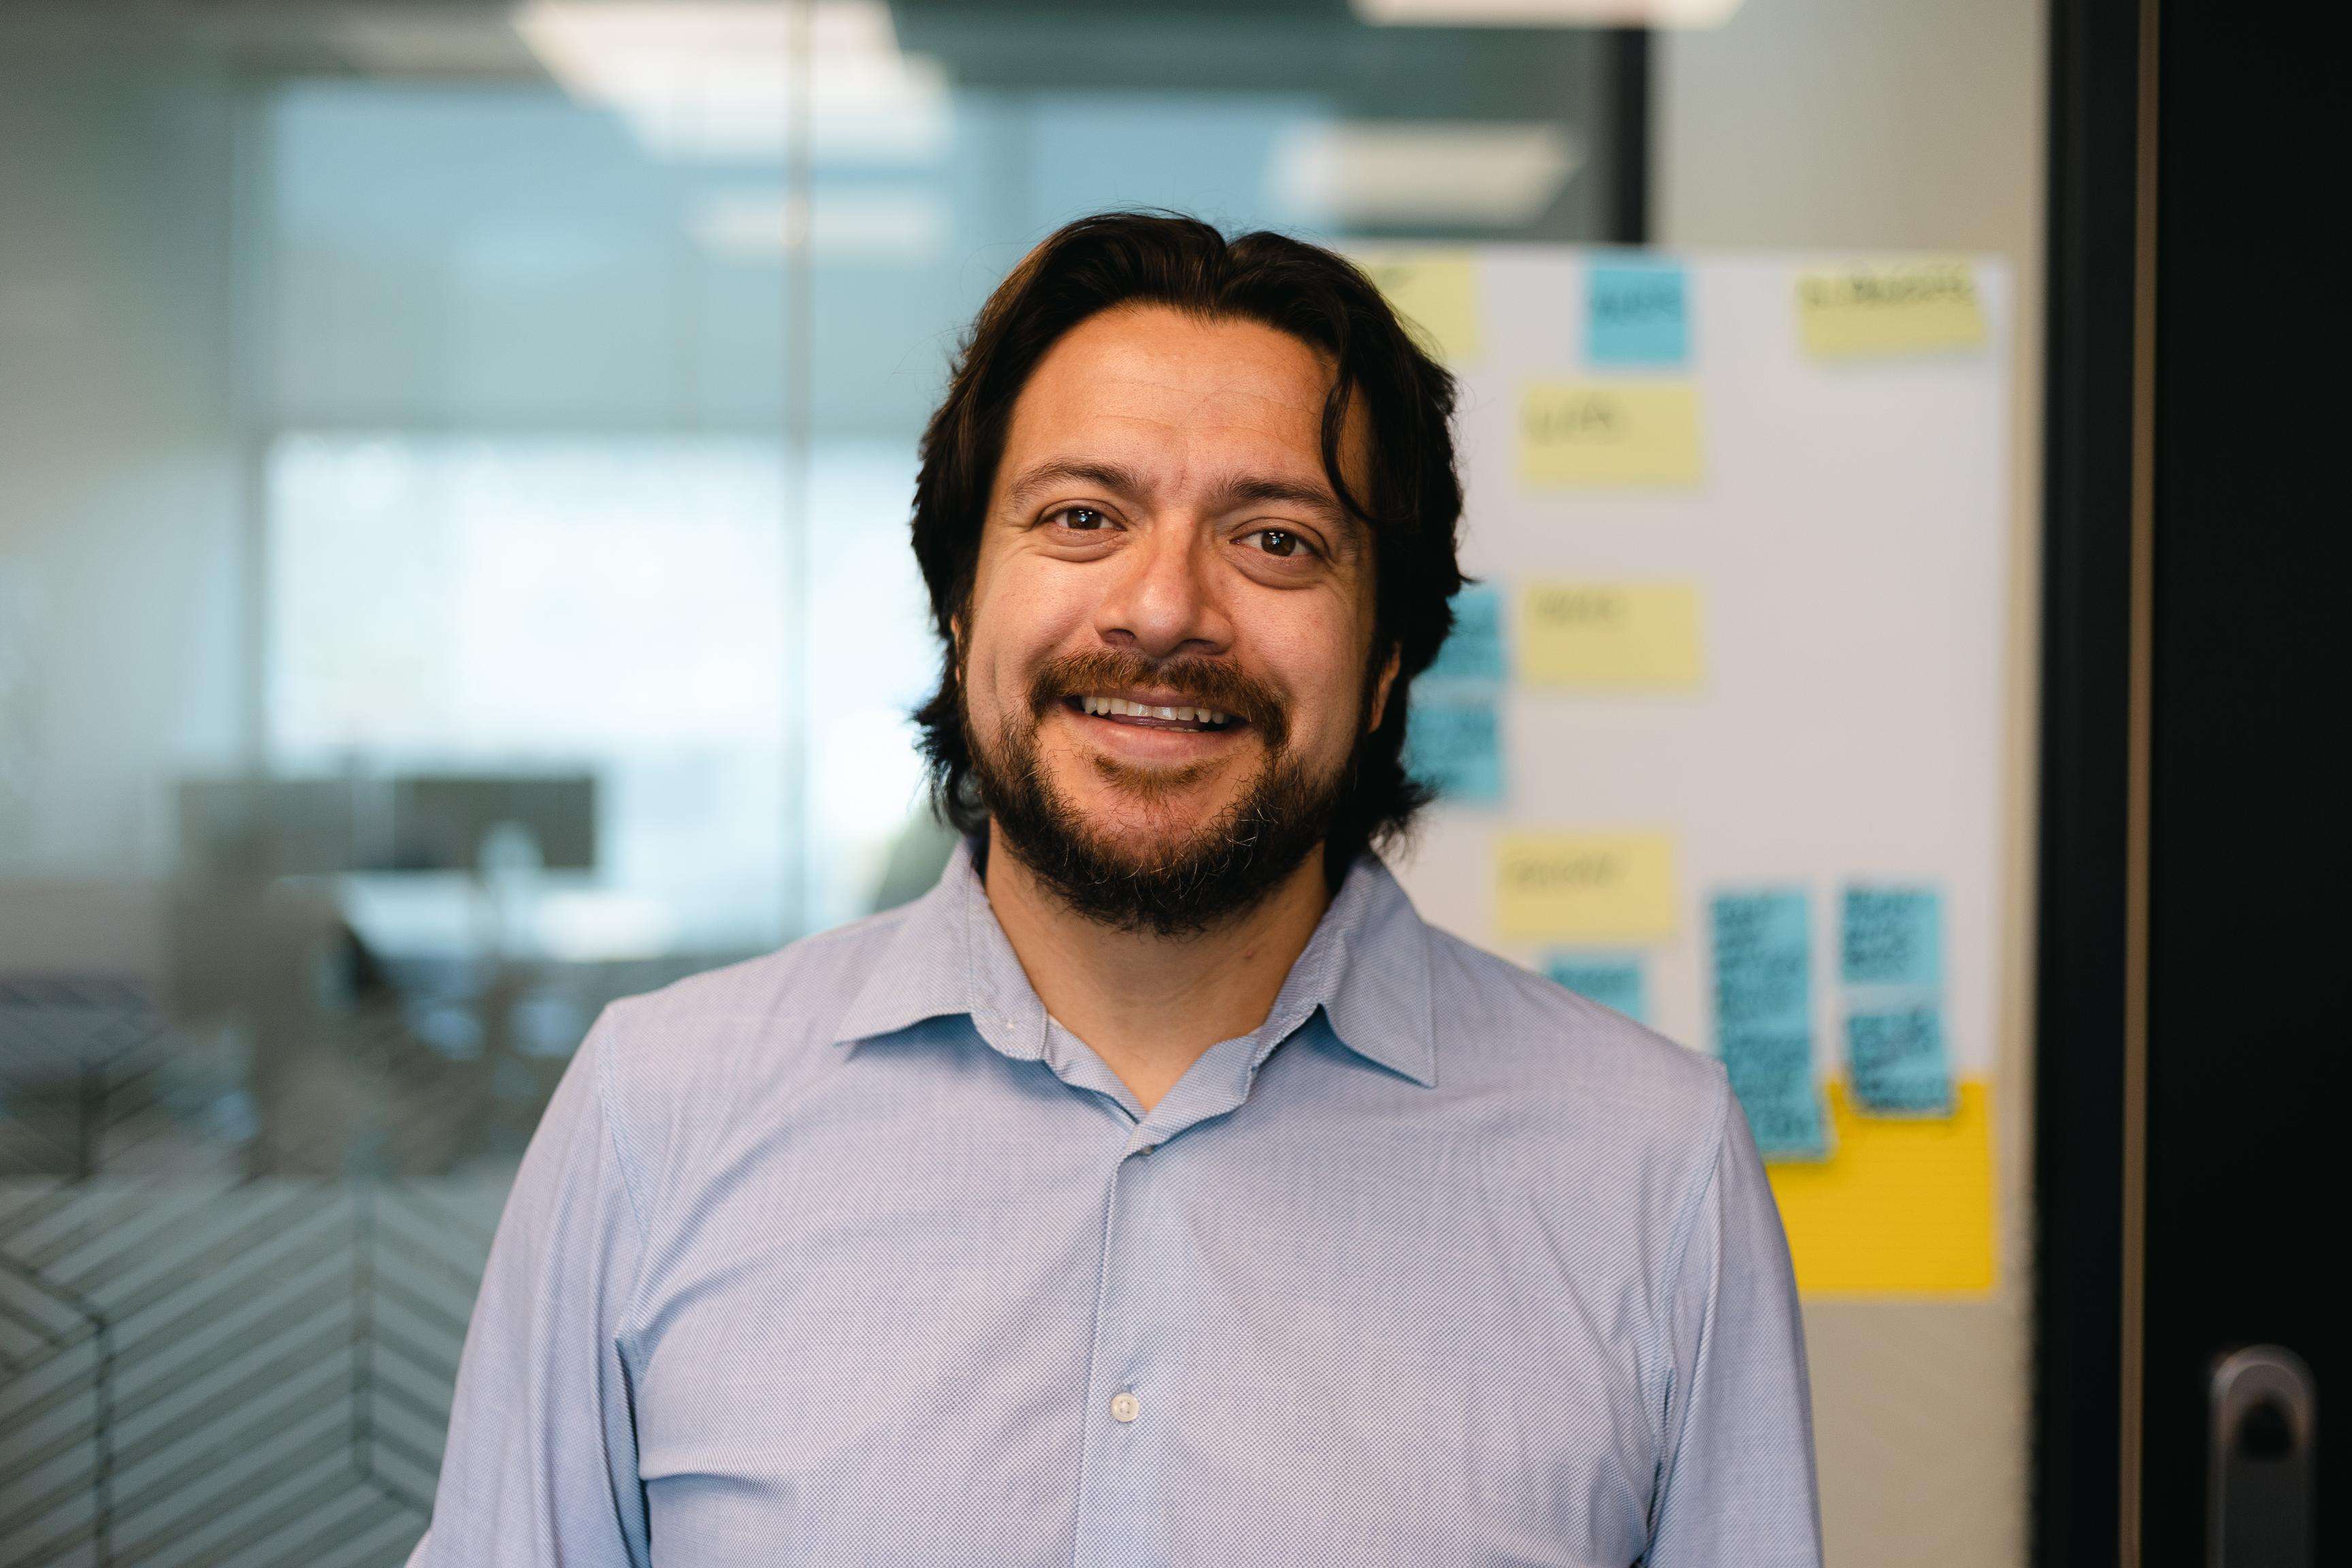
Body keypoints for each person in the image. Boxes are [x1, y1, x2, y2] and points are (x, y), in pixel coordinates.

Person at [408, 212, 1820, 1567]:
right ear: (961, 605)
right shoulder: (657, 1116)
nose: (1163, 610)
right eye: (1083, 517)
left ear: (1390, 653)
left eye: (1276, 540)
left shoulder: (1653, 1168)